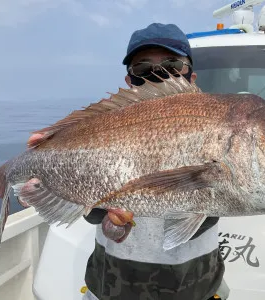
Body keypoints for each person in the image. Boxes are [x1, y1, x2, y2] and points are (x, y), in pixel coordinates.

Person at [82, 23, 230, 300]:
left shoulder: (217, 127)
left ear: (192, 77)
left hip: (194, 286)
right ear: (130, 81)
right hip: (113, 285)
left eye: (173, 65)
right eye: (142, 68)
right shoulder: (101, 128)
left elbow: (221, 201)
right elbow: (90, 205)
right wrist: (105, 219)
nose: (158, 75)